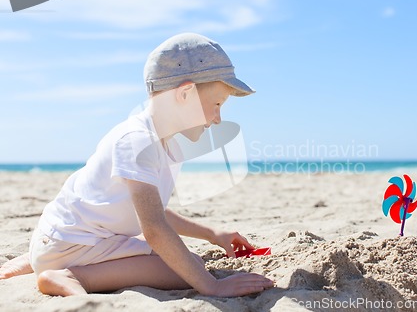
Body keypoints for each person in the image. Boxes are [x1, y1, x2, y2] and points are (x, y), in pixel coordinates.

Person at [0, 33, 274, 297]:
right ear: (185, 94)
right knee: (186, 270)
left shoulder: (163, 142)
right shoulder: (138, 141)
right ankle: (69, 275)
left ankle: (39, 260)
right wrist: (212, 287)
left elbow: (151, 212)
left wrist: (212, 234)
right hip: (71, 245)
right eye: (216, 104)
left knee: (178, 256)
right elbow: (154, 228)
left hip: (64, 236)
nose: (217, 118)